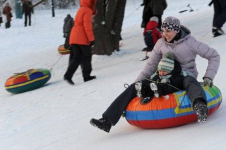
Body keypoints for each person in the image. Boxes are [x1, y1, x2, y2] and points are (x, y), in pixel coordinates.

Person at [90, 16, 221, 133]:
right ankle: (107, 120)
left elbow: (214, 56)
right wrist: (137, 82)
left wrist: (209, 76)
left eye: (168, 31)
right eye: (163, 31)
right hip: (164, 76)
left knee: (190, 81)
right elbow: (151, 66)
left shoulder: (190, 42)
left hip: (184, 76)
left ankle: (200, 106)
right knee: (136, 86)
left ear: (176, 30)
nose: (165, 34)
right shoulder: (160, 43)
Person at [90, 52, 185, 133]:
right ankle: (107, 120)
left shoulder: (178, 76)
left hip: (168, 89)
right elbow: (152, 75)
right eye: (160, 70)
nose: (161, 73)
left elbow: (177, 83)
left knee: (164, 86)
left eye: (164, 71)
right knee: (134, 86)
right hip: (154, 86)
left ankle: (154, 89)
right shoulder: (158, 73)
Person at [63, 0, 97, 85]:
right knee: (87, 56)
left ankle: (68, 75)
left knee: (77, 57)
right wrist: (91, 39)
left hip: (74, 37)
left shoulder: (81, 9)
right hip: (82, 37)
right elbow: (87, 26)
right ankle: (87, 76)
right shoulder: (87, 11)